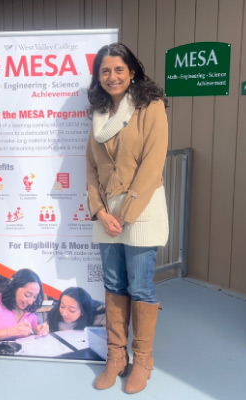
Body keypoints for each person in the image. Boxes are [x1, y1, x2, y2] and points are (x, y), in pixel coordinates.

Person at [85, 42, 169, 394]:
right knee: (115, 286)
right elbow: (90, 168)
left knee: (141, 288)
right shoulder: (99, 114)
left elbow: (152, 165)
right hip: (107, 217)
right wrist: (101, 211)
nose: (112, 76)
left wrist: (125, 212)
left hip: (141, 212)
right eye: (105, 71)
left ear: (132, 71)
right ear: (98, 76)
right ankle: (116, 358)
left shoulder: (151, 108)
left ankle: (143, 360)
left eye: (119, 69)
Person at [0, 268, 49, 341]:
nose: (31, 302)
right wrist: (10, 332)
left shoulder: (30, 309)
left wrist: (39, 330)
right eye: (27, 295)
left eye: (35, 297)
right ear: (14, 288)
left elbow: (34, 331)